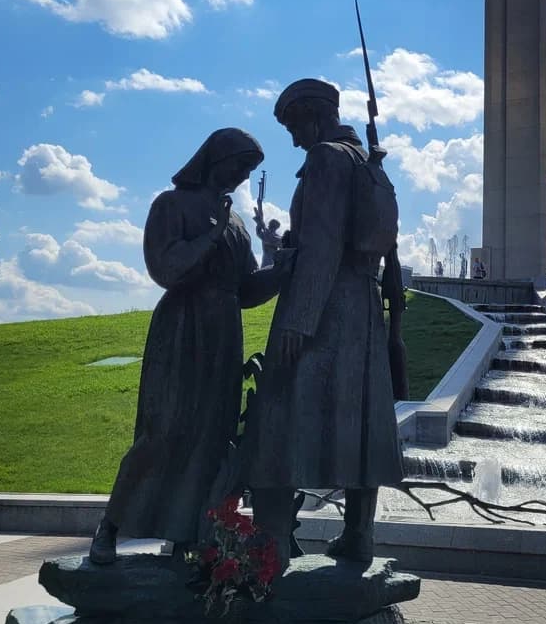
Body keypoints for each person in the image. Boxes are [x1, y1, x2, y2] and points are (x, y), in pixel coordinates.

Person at [88, 128, 289, 565]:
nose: (240, 177)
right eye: (239, 166)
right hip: (181, 330)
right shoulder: (171, 205)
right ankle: (111, 527)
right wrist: (210, 237)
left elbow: (245, 289)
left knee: (212, 438)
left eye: (249, 171)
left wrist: (280, 265)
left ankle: (188, 535)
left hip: (223, 335)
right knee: (164, 430)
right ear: (216, 160)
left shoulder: (234, 221)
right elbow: (165, 268)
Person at [247, 78, 403, 575]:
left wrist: (298, 319)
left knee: (277, 414)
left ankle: (273, 541)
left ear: (313, 116)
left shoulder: (326, 159)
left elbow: (322, 244)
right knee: (359, 419)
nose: (293, 139)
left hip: (325, 306)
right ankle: (358, 535)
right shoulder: (365, 159)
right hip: (361, 307)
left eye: (294, 126)